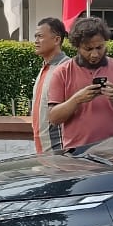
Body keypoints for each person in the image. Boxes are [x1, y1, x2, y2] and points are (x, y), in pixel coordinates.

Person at [46, 17, 113, 149]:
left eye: (100, 47)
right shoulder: (62, 72)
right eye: (88, 49)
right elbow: (53, 118)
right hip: (76, 155)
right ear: (77, 47)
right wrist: (76, 100)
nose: (95, 54)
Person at [31, 16, 71, 153]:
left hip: (61, 152)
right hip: (43, 151)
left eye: (40, 36)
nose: (36, 41)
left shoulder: (67, 68)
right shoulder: (44, 68)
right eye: (35, 36)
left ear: (56, 40)